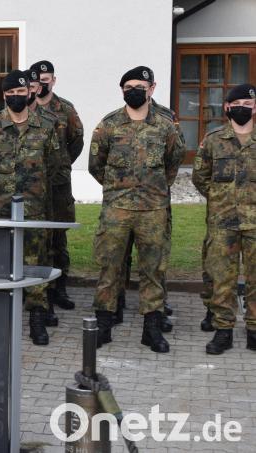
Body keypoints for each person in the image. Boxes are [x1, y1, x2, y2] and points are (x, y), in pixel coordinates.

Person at [88, 66, 184, 353]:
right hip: (117, 210)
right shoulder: (108, 125)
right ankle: (103, 325)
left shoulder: (165, 126)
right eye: (128, 87)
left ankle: (151, 330)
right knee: (110, 268)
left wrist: (152, 189)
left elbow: (172, 163)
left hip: (153, 210)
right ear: (122, 90)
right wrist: (118, 189)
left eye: (140, 87)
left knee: (153, 270)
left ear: (151, 89)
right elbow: (96, 165)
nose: (134, 91)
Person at [0, 70, 60, 346]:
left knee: (35, 262)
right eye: (10, 93)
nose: (16, 97)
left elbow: (53, 164)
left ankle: (37, 316)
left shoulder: (46, 127)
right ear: (4, 95)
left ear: (30, 92)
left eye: (20, 92)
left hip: (34, 207)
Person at [192, 83, 256, 355]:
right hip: (222, 222)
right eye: (237, 104)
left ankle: (253, 329)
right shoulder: (214, 139)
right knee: (222, 279)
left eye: (248, 105)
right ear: (228, 107)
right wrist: (220, 199)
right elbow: (200, 176)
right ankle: (223, 330)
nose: (243, 109)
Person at [30, 60, 84, 313]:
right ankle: (35, 289)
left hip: (58, 185)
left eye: (46, 79)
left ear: (53, 80)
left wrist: (62, 163)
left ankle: (60, 288)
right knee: (35, 239)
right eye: (38, 80)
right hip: (32, 186)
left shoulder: (65, 109)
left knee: (58, 238)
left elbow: (77, 139)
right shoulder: (25, 108)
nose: (42, 84)